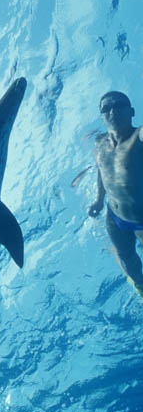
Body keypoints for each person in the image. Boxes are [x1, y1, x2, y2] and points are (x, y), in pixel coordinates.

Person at [88, 91, 143, 294]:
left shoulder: (138, 138)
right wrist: (99, 200)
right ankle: (141, 290)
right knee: (127, 258)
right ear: (102, 116)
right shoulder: (99, 142)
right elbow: (102, 170)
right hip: (115, 217)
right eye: (106, 108)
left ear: (132, 112)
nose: (112, 111)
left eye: (119, 105)